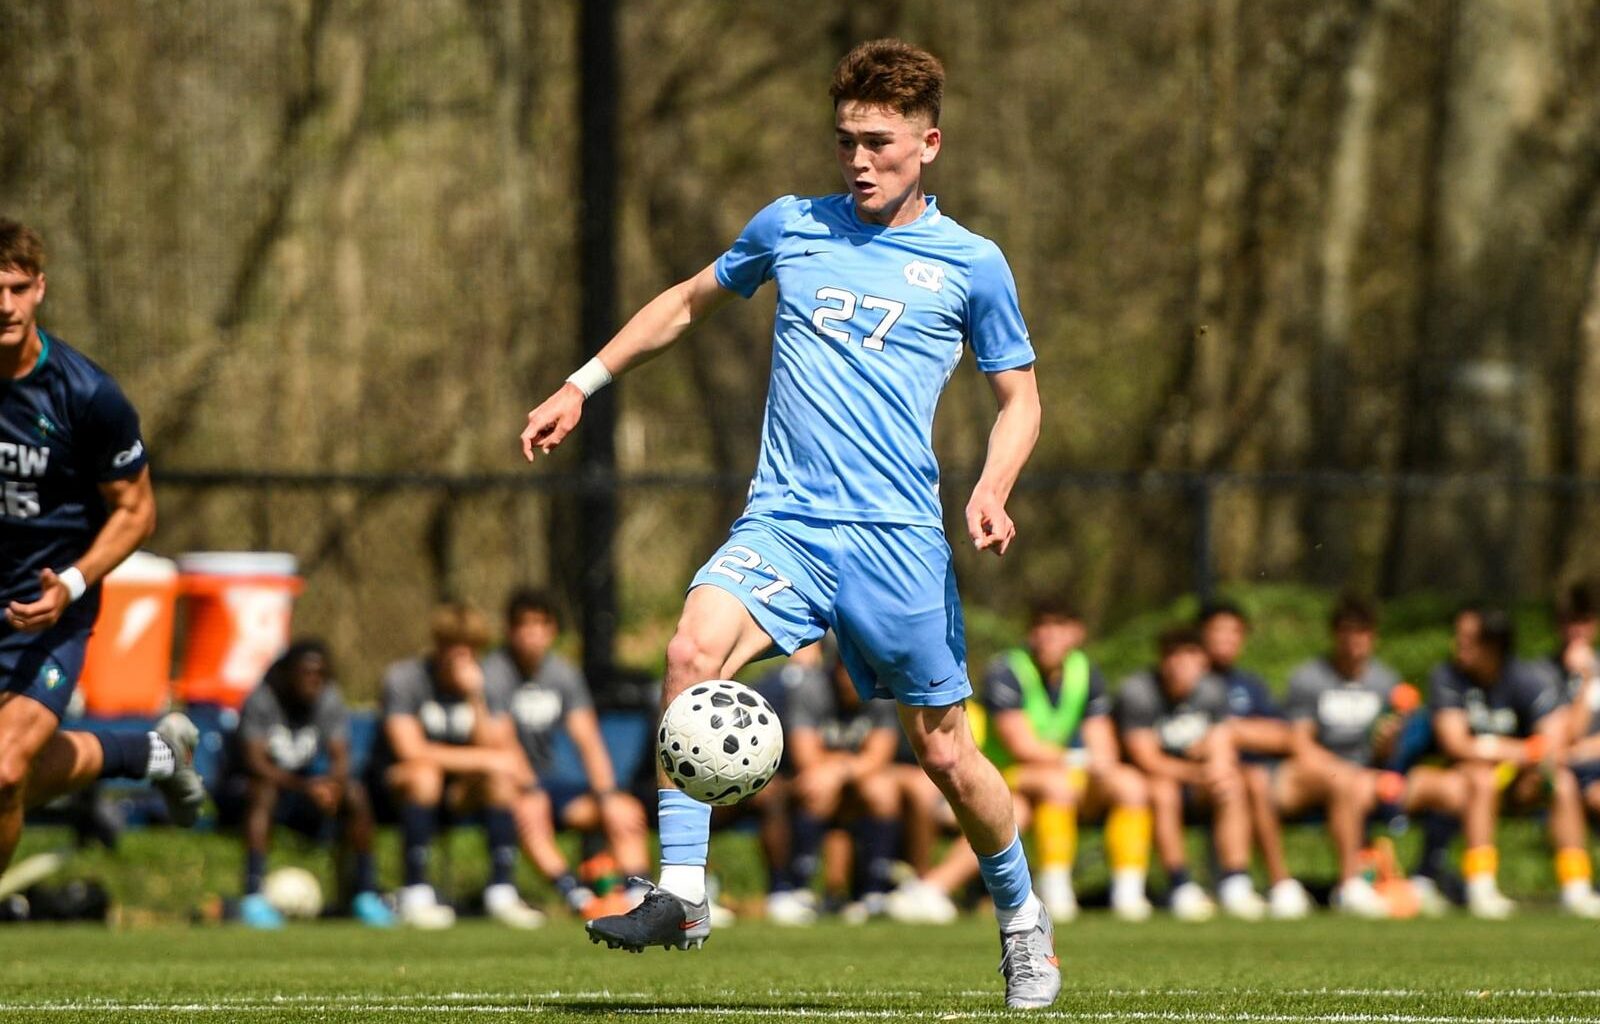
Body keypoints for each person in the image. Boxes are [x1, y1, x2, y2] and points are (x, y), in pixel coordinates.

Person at [522, 39, 1058, 1007]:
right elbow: (687, 303)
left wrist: (993, 486)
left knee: (944, 752)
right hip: (787, 523)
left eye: (880, 142)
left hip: (897, 541)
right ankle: (684, 891)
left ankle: (1022, 919)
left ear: (928, 143)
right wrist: (581, 384)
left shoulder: (972, 264)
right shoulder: (791, 226)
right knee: (690, 653)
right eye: (846, 140)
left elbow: (1019, 398)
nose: (859, 160)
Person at [0, 217, 203, 878]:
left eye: (17, 288)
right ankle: (148, 753)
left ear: (40, 289)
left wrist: (72, 584)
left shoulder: (86, 395)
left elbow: (137, 512)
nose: (4, 305)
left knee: (4, 772)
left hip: (46, 611)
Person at [893, 598, 1152, 923]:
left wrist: (1097, 766)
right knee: (1032, 801)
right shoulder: (1007, 670)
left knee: (1131, 785)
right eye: (1041, 626)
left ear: (1077, 633)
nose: (1048, 635)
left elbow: (1103, 746)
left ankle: (1129, 892)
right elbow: (1023, 748)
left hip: (1063, 774)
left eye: (1058, 627)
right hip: (1006, 773)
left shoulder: (1086, 671)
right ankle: (1053, 889)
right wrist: (1082, 761)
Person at [1278, 595, 1466, 918]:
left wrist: (1387, 741)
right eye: (1348, 631)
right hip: (1321, 774)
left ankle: (1425, 878)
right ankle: (1351, 885)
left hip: (1374, 775)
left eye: (1363, 632)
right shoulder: (1308, 678)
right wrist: (1346, 772)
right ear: (1335, 634)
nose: (1355, 640)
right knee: (1348, 785)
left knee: (1452, 789)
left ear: (1373, 636)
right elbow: (1301, 745)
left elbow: (1386, 756)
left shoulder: (1385, 680)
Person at [373, 602, 545, 930]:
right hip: (398, 788)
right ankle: (416, 893)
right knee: (425, 775)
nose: (462, 656)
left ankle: (501, 892)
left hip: (458, 792)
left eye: (470, 649)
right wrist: (486, 759)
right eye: (453, 646)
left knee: (499, 780)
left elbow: (491, 746)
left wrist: (474, 696)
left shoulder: (484, 683)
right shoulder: (405, 678)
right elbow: (410, 750)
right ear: (438, 646)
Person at [482, 588, 650, 917]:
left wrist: (606, 795)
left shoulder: (562, 674)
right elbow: (502, 742)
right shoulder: (493, 673)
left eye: (540, 624)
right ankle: (576, 895)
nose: (533, 634)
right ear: (510, 630)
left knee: (624, 810)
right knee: (530, 809)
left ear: (553, 630)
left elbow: (588, 740)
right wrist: (529, 788)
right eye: (524, 625)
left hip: (550, 781)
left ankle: (640, 893)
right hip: (506, 782)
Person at [1428, 604, 1600, 919]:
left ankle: (1576, 887)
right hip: (1465, 780)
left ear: (1493, 645)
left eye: (1469, 639)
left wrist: (1526, 756)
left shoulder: (1525, 677)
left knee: (1561, 782)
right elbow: (1456, 744)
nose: (1458, 645)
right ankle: (1481, 885)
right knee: (1482, 778)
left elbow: (1553, 739)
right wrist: (1518, 750)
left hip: (1519, 781)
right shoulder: (1447, 676)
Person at [221, 641, 392, 928]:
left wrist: (333, 786)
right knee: (264, 792)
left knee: (354, 793)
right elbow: (255, 764)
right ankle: (253, 896)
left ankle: (365, 894)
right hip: (249, 795)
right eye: (306, 673)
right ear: (287, 673)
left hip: (303, 792)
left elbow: (341, 756)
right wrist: (305, 787)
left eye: (320, 674)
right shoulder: (262, 700)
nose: (314, 680)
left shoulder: (328, 699)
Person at [1115, 627, 1262, 922]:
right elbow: (1147, 759)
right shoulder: (1138, 692)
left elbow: (1222, 741)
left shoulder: (1213, 690)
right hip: (1153, 780)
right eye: (1173, 655)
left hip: (1196, 779)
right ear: (1162, 659)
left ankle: (1235, 881)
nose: (1181, 664)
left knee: (1231, 784)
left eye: (1190, 655)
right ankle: (1180, 884)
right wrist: (1196, 773)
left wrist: (1217, 767)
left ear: (1203, 661)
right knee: (1163, 790)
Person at [1197, 601, 1310, 919]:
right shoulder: (1189, 679)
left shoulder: (1251, 685)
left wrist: (1234, 731)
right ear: (1202, 635)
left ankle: (1277, 883)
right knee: (1240, 780)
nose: (1227, 639)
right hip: (1198, 780)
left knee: (1255, 779)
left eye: (1234, 632)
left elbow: (1284, 737)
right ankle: (1238, 881)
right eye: (1219, 631)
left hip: (1252, 777)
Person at [778, 637, 900, 923]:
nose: (857, 679)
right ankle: (798, 890)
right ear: (835, 668)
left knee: (883, 789)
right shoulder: (809, 688)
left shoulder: (882, 691)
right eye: (850, 670)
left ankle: (874, 892)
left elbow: (879, 756)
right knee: (818, 787)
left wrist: (840, 769)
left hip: (855, 777)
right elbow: (805, 757)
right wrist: (838, 769)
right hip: (808, 780)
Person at [1554, 585, 1600, 837]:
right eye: (1569, 620)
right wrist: (1586, 678)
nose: (1576, 629)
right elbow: (1569, 736)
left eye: (1584, 620)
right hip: (1579, 774)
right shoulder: (1544, 673)